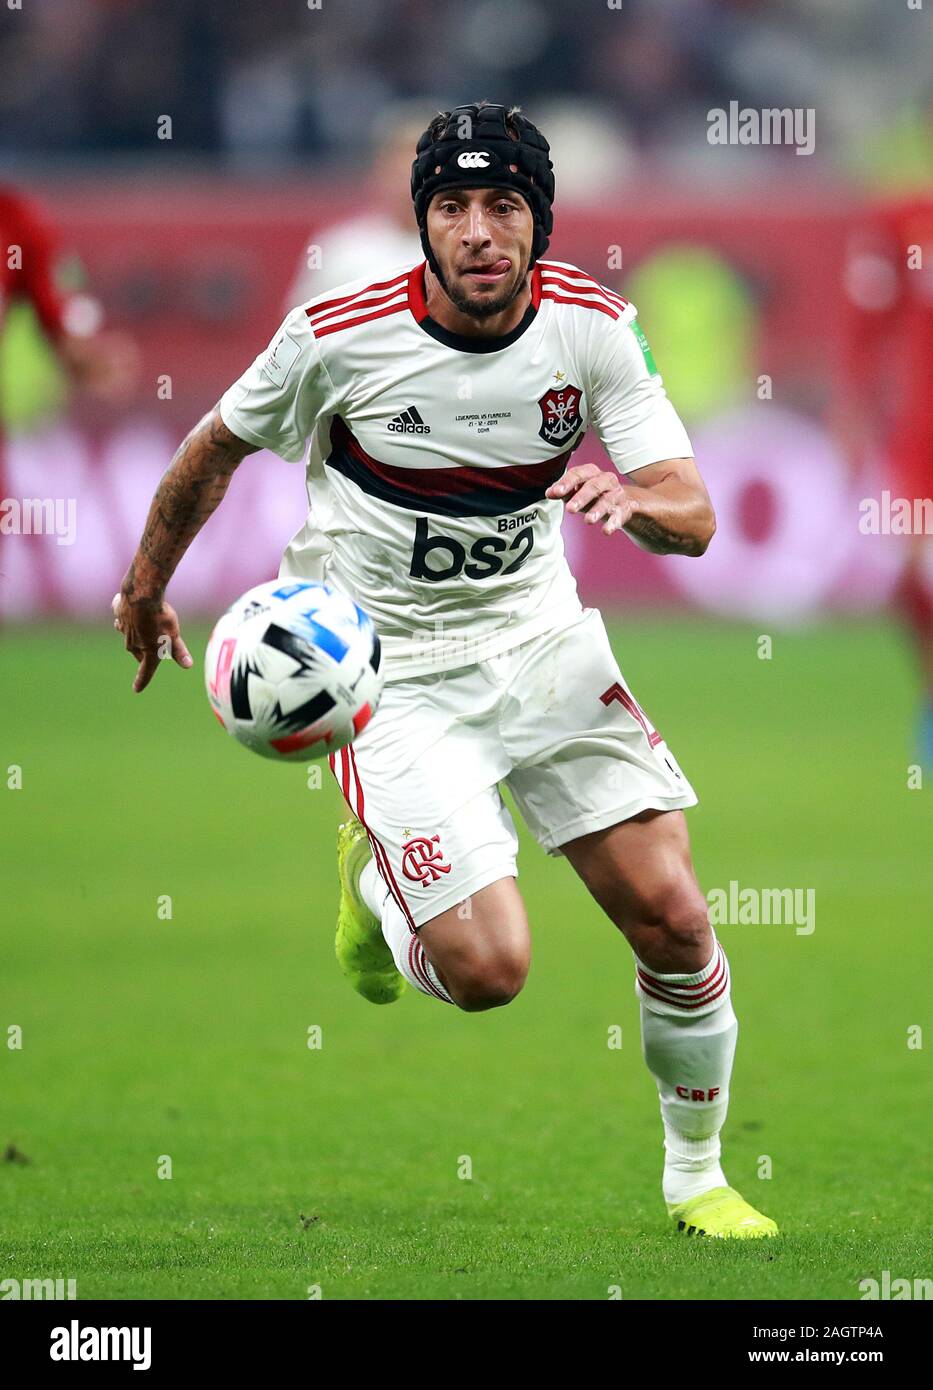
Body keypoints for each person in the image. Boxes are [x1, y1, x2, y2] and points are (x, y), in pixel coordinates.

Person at [113, 102, 777, 1240]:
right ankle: (375, 886)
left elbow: (695, 512)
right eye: (454, 207)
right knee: (488, 970)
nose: (479, 230)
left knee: (673, 915)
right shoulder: (335, 334)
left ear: (540, 224)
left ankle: (697, 1177)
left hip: (543, 643)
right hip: (390, 676)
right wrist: (144, 584)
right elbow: (211, 448)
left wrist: (637, 506)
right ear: (422, 222)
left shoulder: (596, 329)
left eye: (504, 206)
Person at [838, 189, 933, 765]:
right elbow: (868, 321)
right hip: (922, 433)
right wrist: (852, 406)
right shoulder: (906, 220)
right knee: (912, 575)